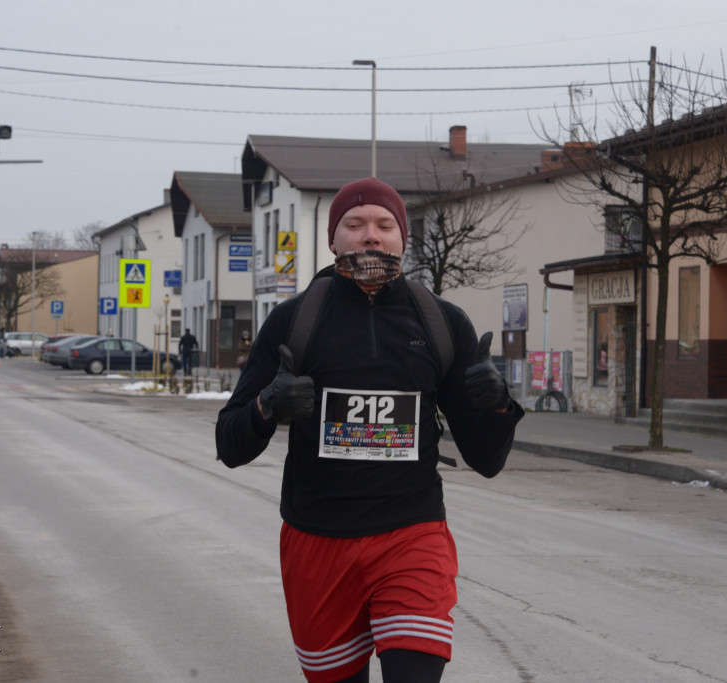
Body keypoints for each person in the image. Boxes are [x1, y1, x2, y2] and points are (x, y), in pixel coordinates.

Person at [216, 178, 524, 683]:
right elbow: (229, 444)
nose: (370, 235)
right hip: (317, 543)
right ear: (333, 240)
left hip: (411, 535)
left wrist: (498, 407)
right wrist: (267, 407)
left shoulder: (442, 324)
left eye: (384, 225)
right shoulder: (294, 322)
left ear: (403, 238)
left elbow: (487, 460)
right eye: (354, 225)